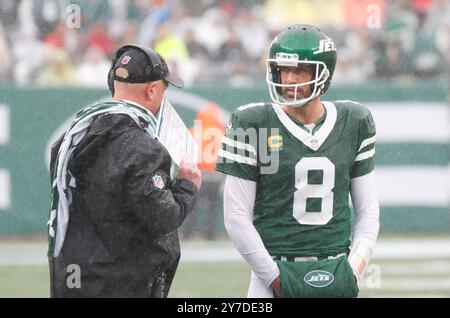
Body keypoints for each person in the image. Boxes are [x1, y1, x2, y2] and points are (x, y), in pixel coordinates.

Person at [216, 24, 379, 298]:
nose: (289, 79)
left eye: (300, 70)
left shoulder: (354, 121)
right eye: (283, 69)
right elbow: (235, 217)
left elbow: (368, 210)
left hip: (335, 265)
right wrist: (273, 277)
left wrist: (354, 270)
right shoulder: (255, 124)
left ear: (323, 72)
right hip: (274, 271)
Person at [47, 44, 201, 298]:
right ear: (152, 90)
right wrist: (187, 186)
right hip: (121, 284)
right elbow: (162, 217)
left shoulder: (73, 137)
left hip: (73, 279)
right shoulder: (141, 148)